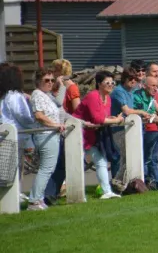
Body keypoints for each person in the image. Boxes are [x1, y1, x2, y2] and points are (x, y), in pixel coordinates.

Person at [73, 71, 124, 200]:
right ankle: (71, 192)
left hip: (93, 134)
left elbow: (102, 117)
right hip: (78, 134)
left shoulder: (108, 98)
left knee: (101, 162)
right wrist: (116, 120)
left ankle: (106, 191)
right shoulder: (93, 95)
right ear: (99, 84)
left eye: (112, 83)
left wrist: (111, 118)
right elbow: (98, 119)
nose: (111, 85)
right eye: (107, 83)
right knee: (74, 164)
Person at [27, 68, 66, 211]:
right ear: (38, 81)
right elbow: (39, 116)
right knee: (46, 169)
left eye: (52, 80)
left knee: (48, 169)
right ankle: (34, 201)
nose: (50, 83)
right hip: (45, 134)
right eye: (46, 80)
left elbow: (59, 105)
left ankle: (38, 198)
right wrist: (55, 125)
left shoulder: (47, 95)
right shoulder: (37, 94)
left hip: (52, 134)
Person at [110, 67, 152, 191]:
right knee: (125, 157)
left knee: (129, 157)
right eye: (130, 79)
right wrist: (142, 112)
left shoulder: (130, 92)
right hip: (117, 129)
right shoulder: (118, 91)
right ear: (125, 79)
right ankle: (117, 183)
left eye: (135, 79)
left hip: (128, 128)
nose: (133, 82)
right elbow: (127, 111)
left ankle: (121, 184)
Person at [0, 63, 36, 201]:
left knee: (14, 165)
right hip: (17, 135)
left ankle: (16, 191)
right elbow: (22, 115)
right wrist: (34, 120)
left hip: (10, 134)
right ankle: (14, 192)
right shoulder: (14, 96)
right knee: (14, 165)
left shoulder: (5, 96)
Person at [132, 75, 158, 190]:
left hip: (152, 129)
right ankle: (153, 184)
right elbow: (141, 113)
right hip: (143, 131)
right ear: (144, 86)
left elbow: (155, 106)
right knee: (147, 159)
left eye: (157, 86)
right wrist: (157, 119)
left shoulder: (151, 96)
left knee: (152, 158)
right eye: (153, 86)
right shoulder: (137, 96)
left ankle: (154, 183)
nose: (155, 88)